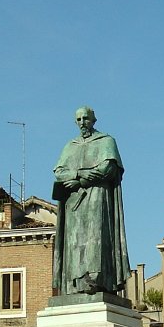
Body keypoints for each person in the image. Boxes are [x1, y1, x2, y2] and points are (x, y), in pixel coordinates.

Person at [52, 106, 131, 295]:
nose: (82, 122)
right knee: (75, 241)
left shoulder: (106, 141)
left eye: (86, 118)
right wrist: (78, 175)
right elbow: (59, 172)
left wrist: (81, 180)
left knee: (96, 235)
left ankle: (97, 279)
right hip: (73, 201)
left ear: (94, 120)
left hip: (97, 195)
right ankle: (76, 283)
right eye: (79, 119)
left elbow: (108, 168)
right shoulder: (70, 146)